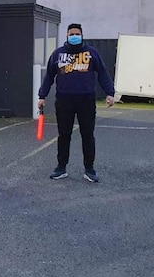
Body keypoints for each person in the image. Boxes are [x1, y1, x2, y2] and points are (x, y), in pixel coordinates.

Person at [38, 23, 114, 182]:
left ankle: (89, 169)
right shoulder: (58, 54)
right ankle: (61, 167)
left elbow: (102, 73)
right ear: (67, 36)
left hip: (86, 100)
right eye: (71, 34)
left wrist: (110, 93)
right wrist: (42, 96)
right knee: (64, 135)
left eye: (77, 33)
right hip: (64, 100)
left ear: (81, 35)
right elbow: (49, 77)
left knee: (87, 135)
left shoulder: (91, 53)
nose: (74, 36)